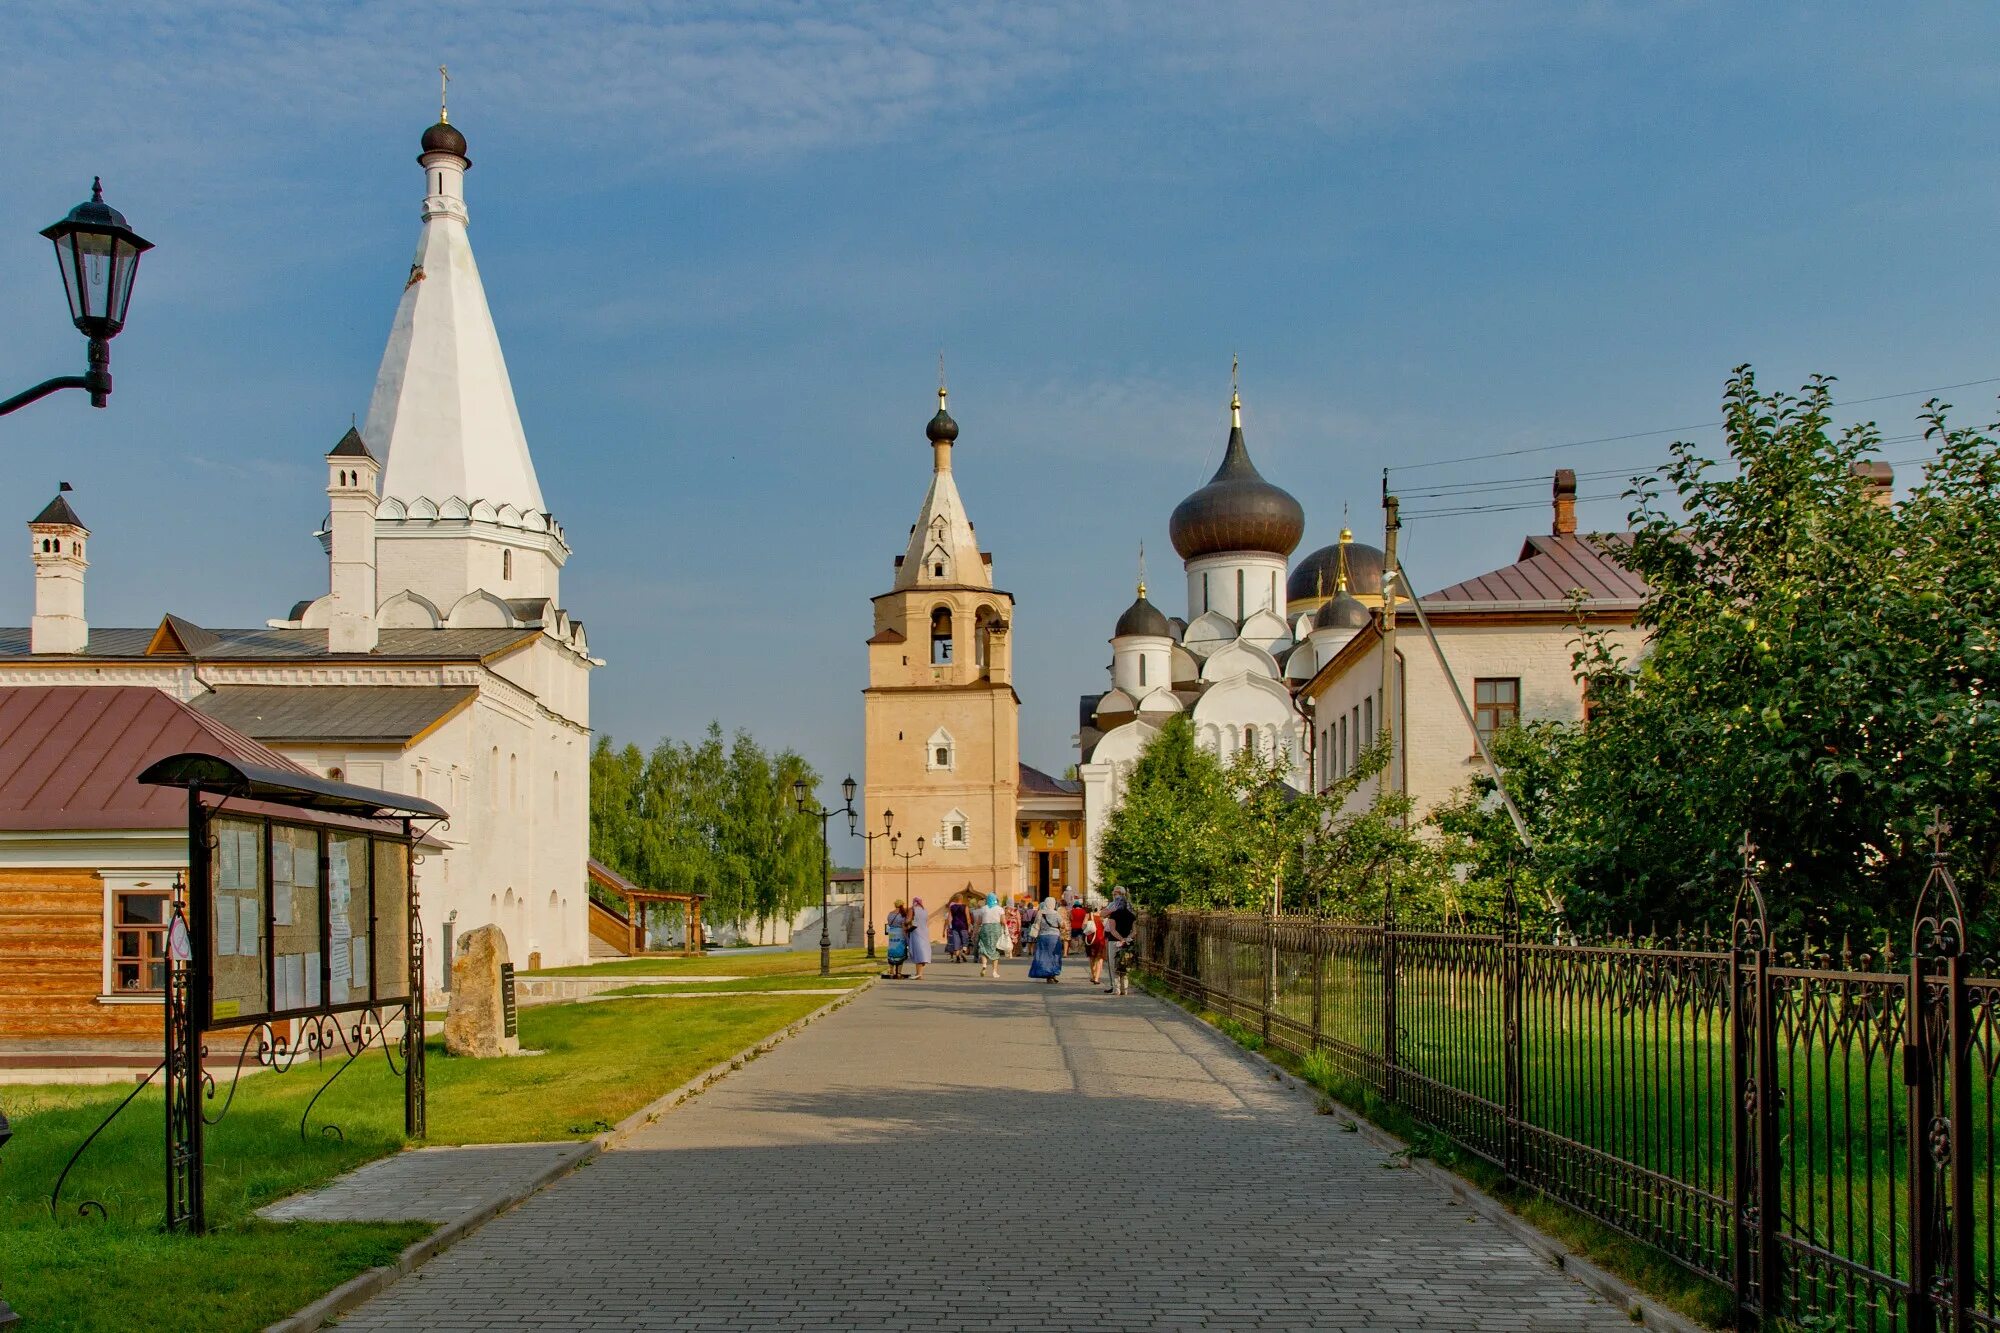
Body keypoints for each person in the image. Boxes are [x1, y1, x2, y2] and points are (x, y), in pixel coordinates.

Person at [1103, 887, 1136, 995]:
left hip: (1114, 941)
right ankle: (1124, 989)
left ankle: (1116, 989)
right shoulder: (1131, 916)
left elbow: (1112, 930)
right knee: (1125, 964)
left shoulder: (1114, 915)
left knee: (1114, 965)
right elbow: (1134, 932)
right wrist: (1126, 939)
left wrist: (1121, 939)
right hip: (1128, 943)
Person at [1027, 893, 1066, 983]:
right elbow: (1062, 925)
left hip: (1043, 937)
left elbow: (1037, 924)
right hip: (1054, 937)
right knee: (1054, 955)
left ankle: (1047, 974)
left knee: (1044, 956)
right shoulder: (1056, 914)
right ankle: (1053, 974)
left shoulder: (1040, 913)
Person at [975, 892, 1008, 978]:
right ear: (995, 899)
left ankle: (984, 965)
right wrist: (1006, 929)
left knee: (983, 948)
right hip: (996, 929)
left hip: (985, 929)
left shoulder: (983, 909)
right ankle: (994, 972)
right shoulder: (1000, 909)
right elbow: (1003, 922)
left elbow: (978, 922)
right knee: (995, 949)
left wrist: (975, 932)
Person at [907, 897, 933, 980]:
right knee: (923, 951)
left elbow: (908, 920)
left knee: (918, 952)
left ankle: (918, 973)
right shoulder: (924, 910)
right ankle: (920, 973)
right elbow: (926, 921)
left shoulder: (912, 909)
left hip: (916, 932)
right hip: (924, 932)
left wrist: (905, 922)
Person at [885, 900, 909, 979]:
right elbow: (903, 927)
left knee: (892, 952)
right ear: (902, 905)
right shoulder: (902, 915)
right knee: (900, 952)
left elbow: (888, 924)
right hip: (900, 933)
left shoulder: (890, 914)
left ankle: (891, 972)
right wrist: (906, 937)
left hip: (892, 933)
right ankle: (898, 973)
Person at [946, 896, 972, 963]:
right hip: (963, 926)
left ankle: (957, 956)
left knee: (956, 942)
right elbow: (968, 917)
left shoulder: (952, 907)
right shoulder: (965, 907)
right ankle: (962, 952)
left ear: (955, 900)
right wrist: (969, 926)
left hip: (955, 926)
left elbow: (949, 917)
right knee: (965, 941)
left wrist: (949, 927)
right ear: (962, 899)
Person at [1085, 907, 1107, 986]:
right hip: (1101, 939)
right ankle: (1097, 978)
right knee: (1099, 959)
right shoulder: (1103, 916)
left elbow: (1083, 927)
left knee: (1092, 958)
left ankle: (1093, 975)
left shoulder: (1088, 915)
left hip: (1091, 939)